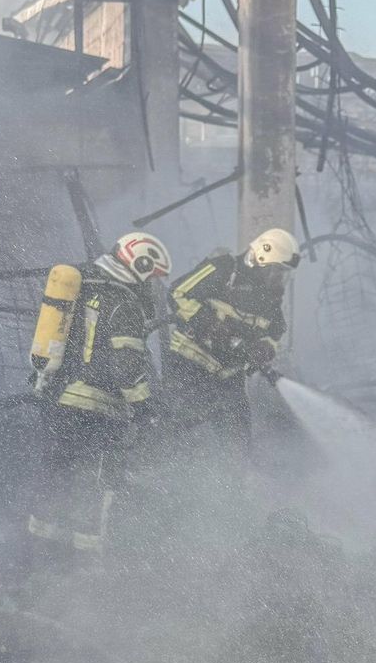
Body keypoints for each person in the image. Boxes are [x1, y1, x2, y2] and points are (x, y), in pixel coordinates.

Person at [25, 232, 172, 568]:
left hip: (59, 401)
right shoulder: (124, 303)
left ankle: (38, 557)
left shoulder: (87, 286)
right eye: (152, 278)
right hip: (96, 410)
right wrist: (145, 407)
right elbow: (126, 365)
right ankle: (85, 568)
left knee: (56, 475)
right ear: (140, 265)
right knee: (95, 485)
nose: (153, 287)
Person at [164, 228, 300, 458]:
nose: (280, 280)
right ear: (261, 258)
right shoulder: (224, 268)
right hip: (189, 365)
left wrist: (265, 348)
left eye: (284, 274)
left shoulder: (270, 300)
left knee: (238, 445)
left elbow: (276, 331)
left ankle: (237, 487)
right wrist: (209, 324)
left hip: (229, 377)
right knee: (183, 436)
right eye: (277, 272)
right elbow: (177, 293)